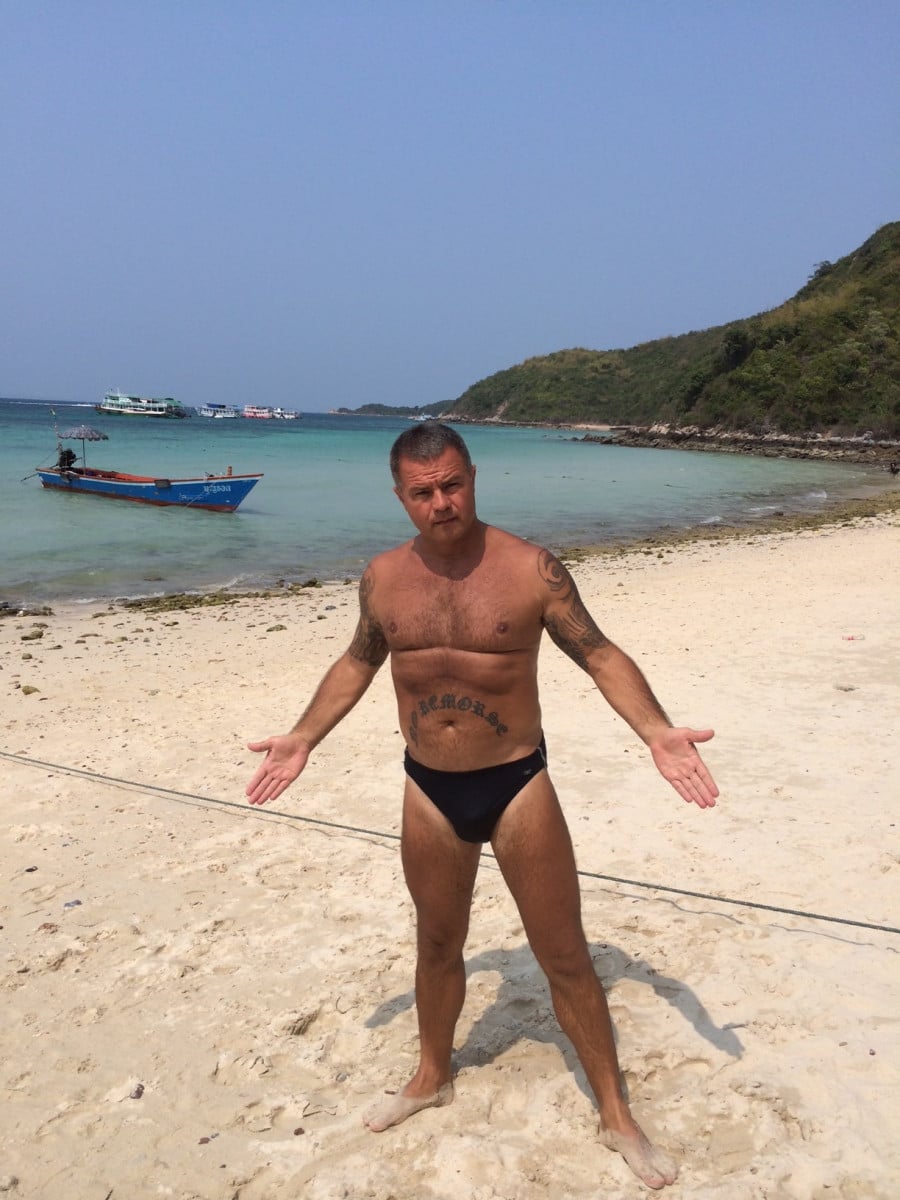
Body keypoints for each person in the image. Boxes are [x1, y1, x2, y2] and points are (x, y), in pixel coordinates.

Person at [246, 422, 718, 1190]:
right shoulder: (382, 577)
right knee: (437, 943)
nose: (442, 503)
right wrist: (303, 737)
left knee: (563, 953)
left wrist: (656, 731)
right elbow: (359, 661)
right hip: (428, 789)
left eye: (452, 485)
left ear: (473, 477)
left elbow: (598, 653)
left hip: (516, 784)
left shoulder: (532, 569)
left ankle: (615, 1113)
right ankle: (432, 1076)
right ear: (400, 497)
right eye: (423, 492)